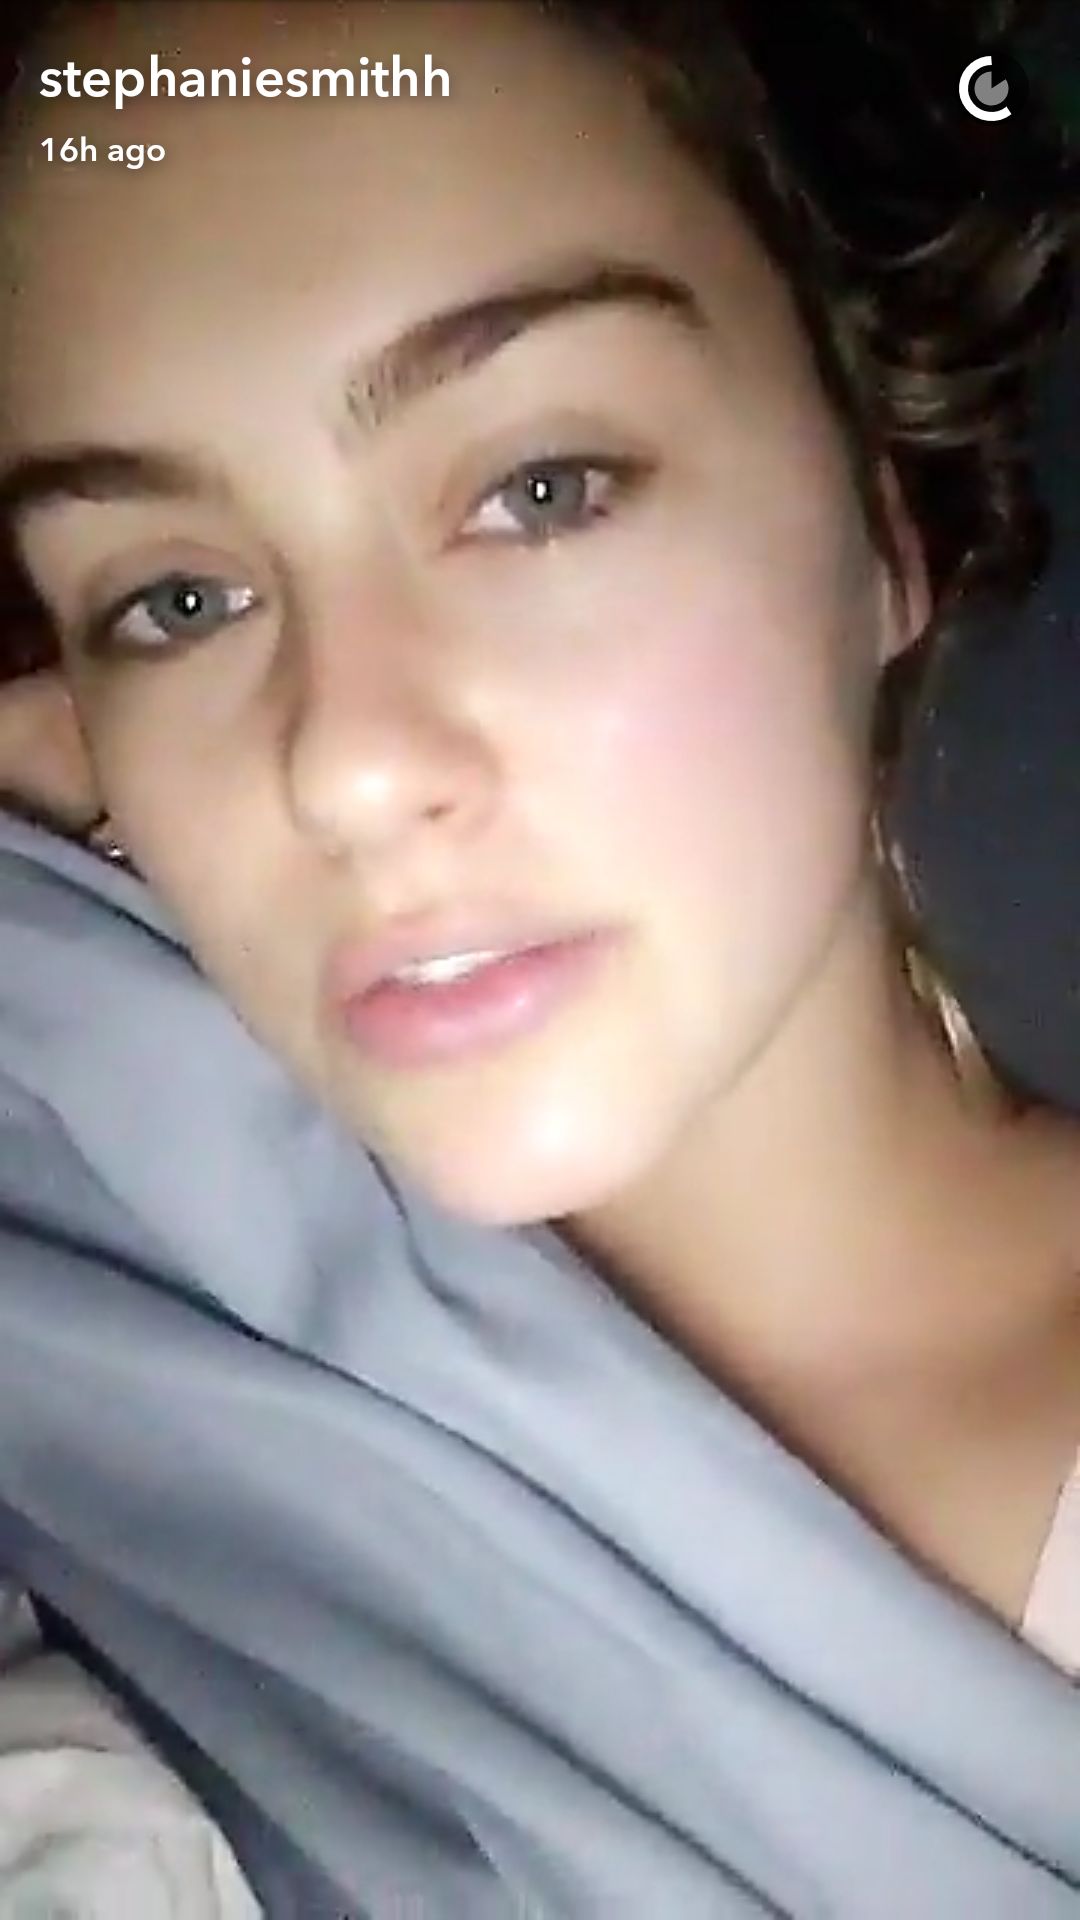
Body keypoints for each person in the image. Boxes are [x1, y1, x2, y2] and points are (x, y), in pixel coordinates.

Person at [0, 0, 1077, 1911]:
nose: (342, 767)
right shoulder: (106, 1277)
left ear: (884, 522)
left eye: (540, 491)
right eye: (177, 600)